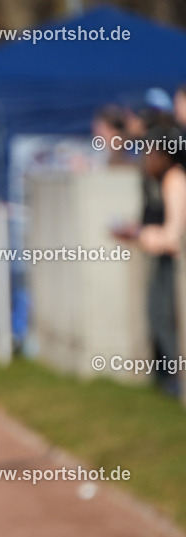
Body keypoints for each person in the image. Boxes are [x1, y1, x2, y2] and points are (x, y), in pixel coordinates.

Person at [121, 125, 186, 396]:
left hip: (172, 264)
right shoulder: (156, 181)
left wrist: (142, 234)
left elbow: (173, 237)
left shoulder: (175, 180)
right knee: (156, 314)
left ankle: (175, 379)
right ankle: (167, 378)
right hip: (162, 262)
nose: (147, 160)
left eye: (152, 154)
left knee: (164, 316)